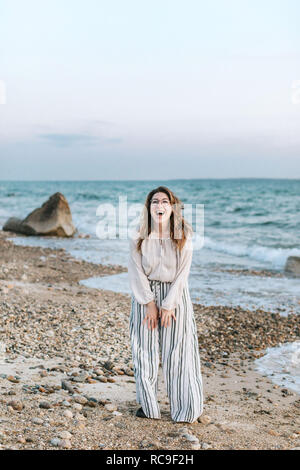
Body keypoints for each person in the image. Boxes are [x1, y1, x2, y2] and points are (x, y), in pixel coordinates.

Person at [128, 185, 204, 423]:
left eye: (164, 201)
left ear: (172, 207)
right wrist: (150, 303)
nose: (159, 205)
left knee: (179, 352)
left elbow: (183, 274)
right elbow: (136, 270)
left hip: (176, 295)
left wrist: (169, 304)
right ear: (149, 207)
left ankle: (186, 410)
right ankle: (149, 407)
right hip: (145, 295)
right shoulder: (138, 235)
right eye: (154, 201)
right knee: (144, 350)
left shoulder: (183, 236)